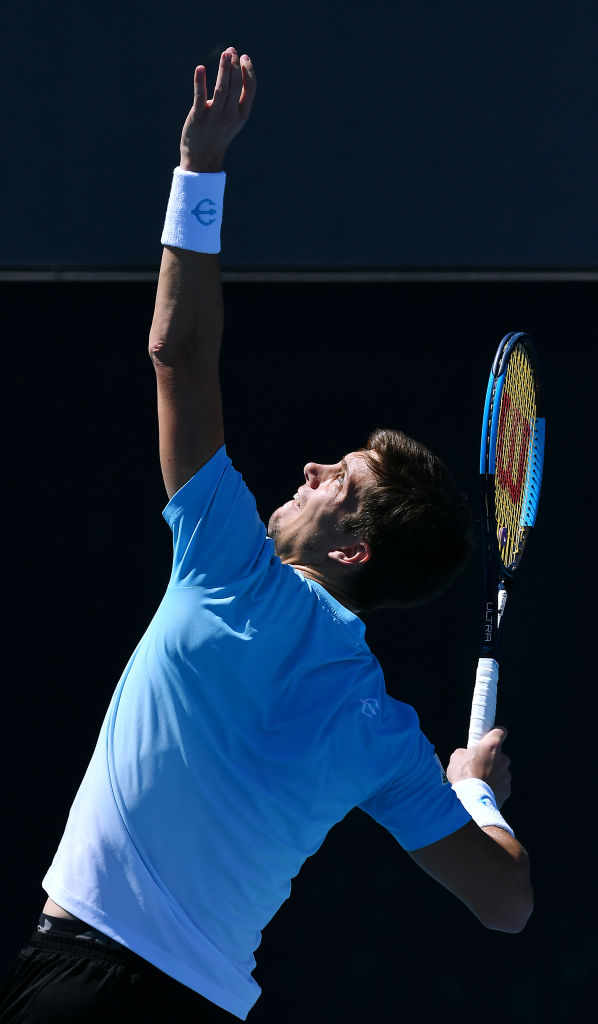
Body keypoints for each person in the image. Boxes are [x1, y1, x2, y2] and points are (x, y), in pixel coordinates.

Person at [0, 46, 532, 1023]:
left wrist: (198, 169)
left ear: (353, 549)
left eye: (338, 479)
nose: (308, 471)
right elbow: (504, 901)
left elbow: (176, 349)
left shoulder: (229, 566)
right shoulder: (379, 732)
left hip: (77, 991)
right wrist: (470, 794)